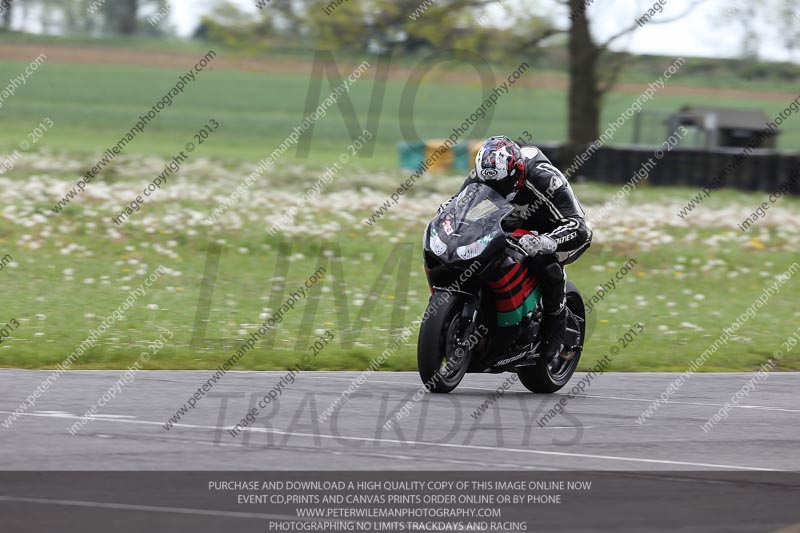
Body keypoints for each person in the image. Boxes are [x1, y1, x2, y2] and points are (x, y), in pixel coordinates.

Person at [446, 135, 592, 361]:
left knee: (544, 263)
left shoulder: (546, 179)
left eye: (502, 185)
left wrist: (545, 241)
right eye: (491, 185)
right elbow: (458, 205)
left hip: (558, 230)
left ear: (517, 172)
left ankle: (555, 330)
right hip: (515, 222)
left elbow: (580, 228)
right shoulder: (484, 173)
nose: (496, 189)